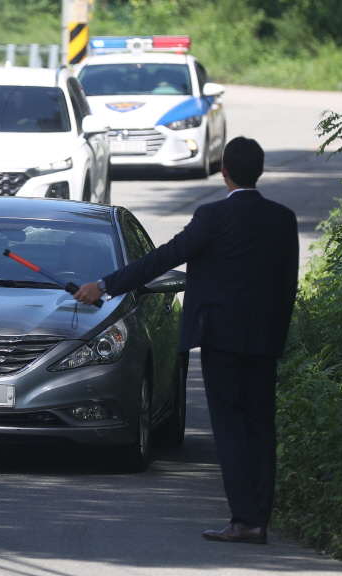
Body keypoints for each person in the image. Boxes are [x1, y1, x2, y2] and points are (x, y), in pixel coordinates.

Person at [74, 137, 298, 545]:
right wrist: (276, 338)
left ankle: (243, 520)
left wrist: (105, 285)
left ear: (224, 172)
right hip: (264, 340)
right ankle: (259, 518)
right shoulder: (282, 219)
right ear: (259, 171)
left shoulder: (211, 217)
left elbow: (162, 258)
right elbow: (288, 287)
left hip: (220, 338)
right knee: (262, 426)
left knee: (230, 426)